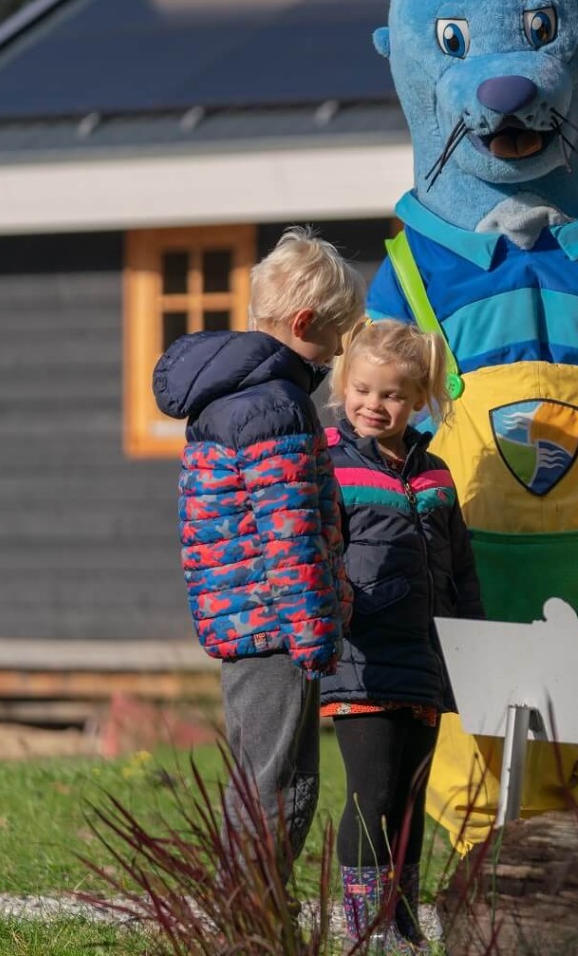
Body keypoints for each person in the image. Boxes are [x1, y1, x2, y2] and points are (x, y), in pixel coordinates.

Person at [152, 226, 363, 875]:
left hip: (244, 622)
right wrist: (316, 634)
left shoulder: (228, 399)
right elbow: (290, 534)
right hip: (278, 626)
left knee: (259, 776)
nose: (339, 351)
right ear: (304, 323)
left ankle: (248, 908)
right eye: (337, 334)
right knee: (281, 786)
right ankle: (250, 912)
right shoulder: (278, 407)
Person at [322, 320, 485, 952]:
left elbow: (461, 568)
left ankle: (404, 918)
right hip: (361, 659)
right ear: (344, 384)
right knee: (373, 793)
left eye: (392, 394)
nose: (374, 404)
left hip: (425, 660)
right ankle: (366, 928)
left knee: (411, 798)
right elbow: (318, 556)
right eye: (363, 389)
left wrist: (468, 646)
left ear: (418, 399)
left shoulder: (437, 474)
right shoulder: (329, 466)